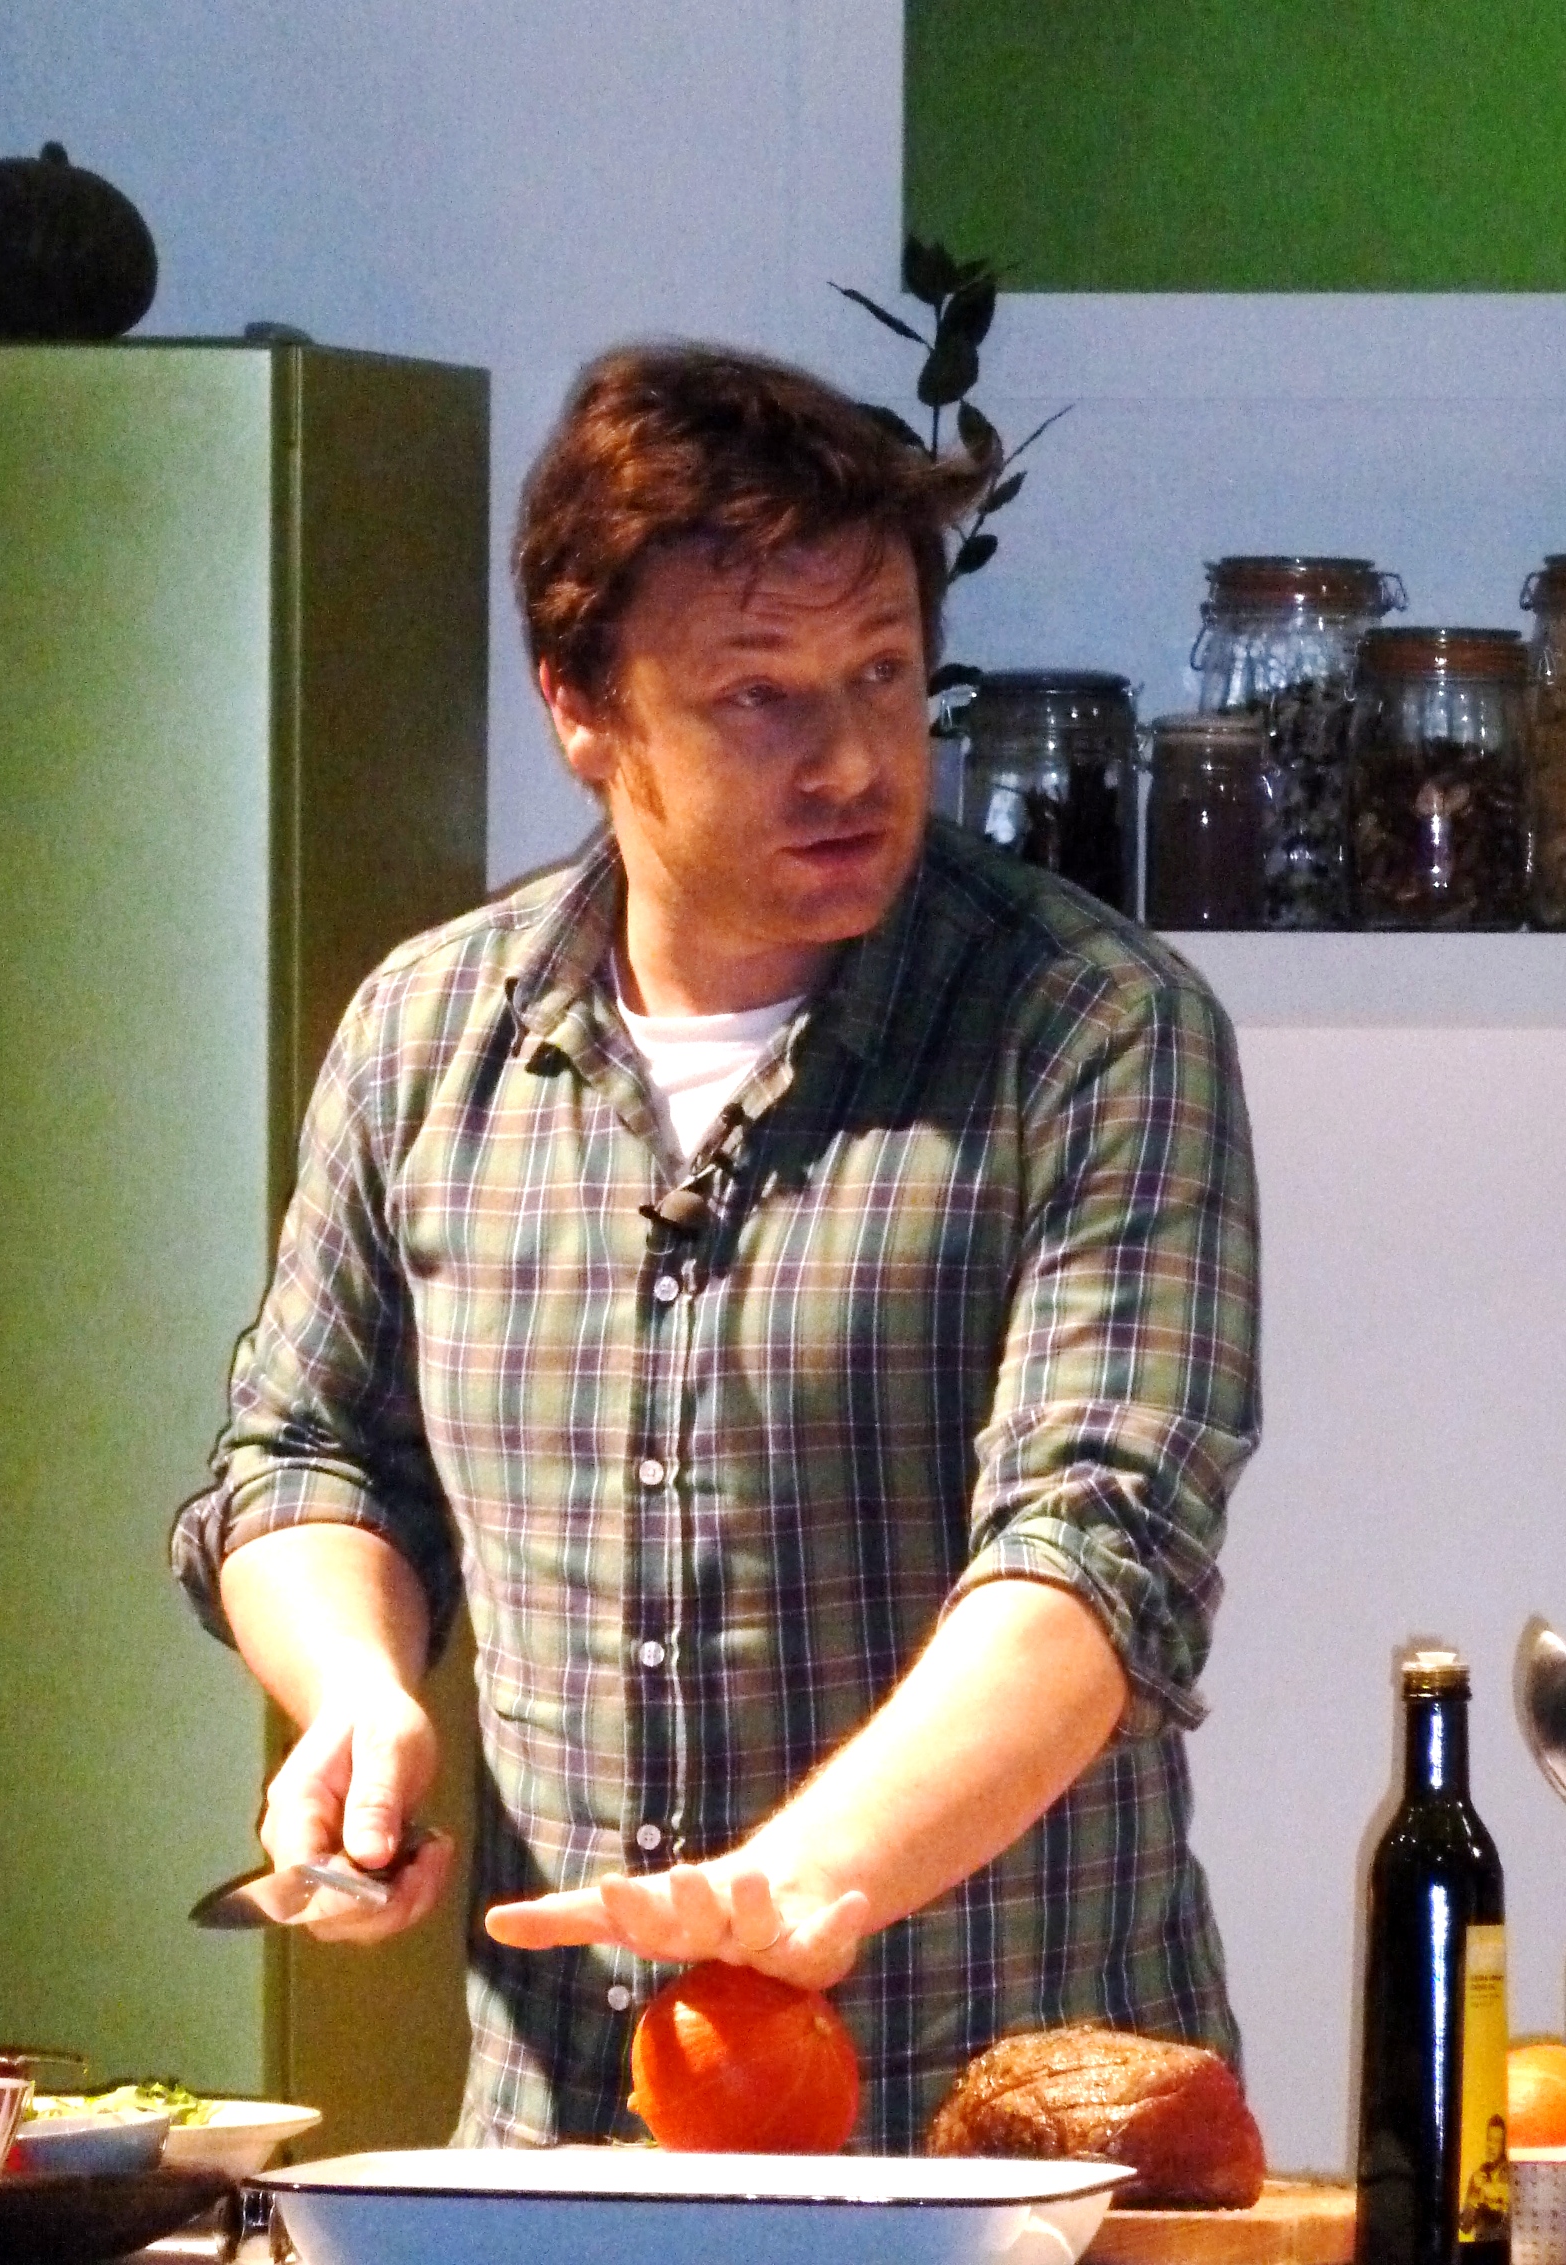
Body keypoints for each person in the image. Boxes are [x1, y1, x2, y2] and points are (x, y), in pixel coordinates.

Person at [173, 342, 1261, 2152]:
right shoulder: (428, 1035)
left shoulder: (1092, 1028)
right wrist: (357, 1694)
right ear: (581, 708)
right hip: (560, 2152)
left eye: (885, 674)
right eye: (757, 696)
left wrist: (802, 1877)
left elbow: (1101, 1552)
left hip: (1008, 2158)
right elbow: (303, 1457)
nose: (851, 759)